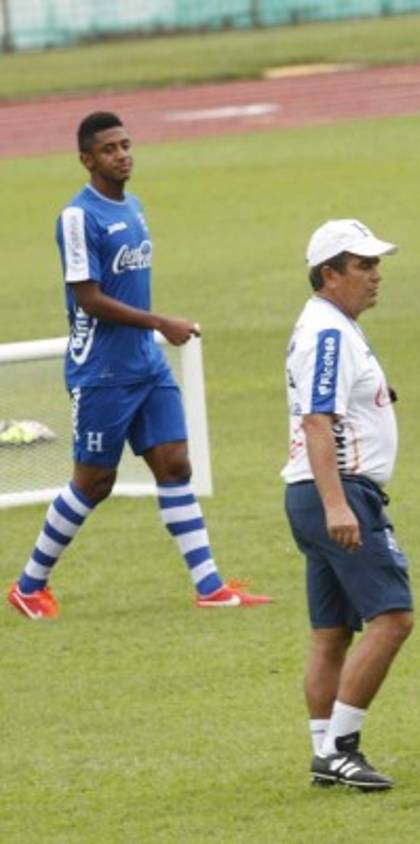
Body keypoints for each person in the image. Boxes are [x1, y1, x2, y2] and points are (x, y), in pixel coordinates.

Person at [6, 111, 270, 620]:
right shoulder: (78, 218)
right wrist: (159, 322)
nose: (123, 154)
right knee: (93, 482)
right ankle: (28, 585)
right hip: (102, 371)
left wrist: (152, 333)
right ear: (87, 160)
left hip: (146, 364)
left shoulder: (135, 206)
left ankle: (210, 587)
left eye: (127, 144)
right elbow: (88, 298)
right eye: (110, 149)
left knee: (174, 464)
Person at [284, 219, 414, 791]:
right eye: (363, 266)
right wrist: (339, 506)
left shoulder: (330, 325)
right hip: (338, 491)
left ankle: (323, 749)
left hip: (313, 493)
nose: (376, 275)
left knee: (331, 632)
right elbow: (317, 418)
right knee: (393, 618)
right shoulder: (329, 333)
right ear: (328, 274)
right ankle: (340, 748)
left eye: (376, 263)